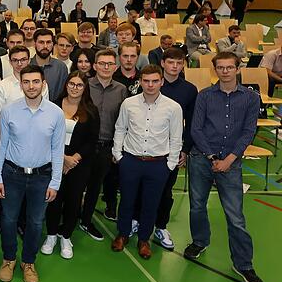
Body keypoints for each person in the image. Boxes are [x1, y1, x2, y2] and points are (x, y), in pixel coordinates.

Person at [186, 51, 264, 282]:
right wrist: (211, 156)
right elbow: (196, 129)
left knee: (235, 216)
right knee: (197, 205)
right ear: (215, 70)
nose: (225, 71)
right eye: (220, 67)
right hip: (202, 159)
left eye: (230, 67)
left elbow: (249, 132)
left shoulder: (251, 98)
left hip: (231, 162)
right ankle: (199, 241)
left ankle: (243, 264)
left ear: (238, 69)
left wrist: (229, 159)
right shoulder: (204, 96)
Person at [0, 65, 64, 282]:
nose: (31, 86)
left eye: (35, 81)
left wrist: (55, 182)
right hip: (12, 174)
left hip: (42, 177)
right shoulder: (8, 112)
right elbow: (1, 146)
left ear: (43, 84)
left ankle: (29, 262)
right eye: (26, 82)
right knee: (8, 219)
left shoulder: (56, 113)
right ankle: (9, 259)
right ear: (21, 84)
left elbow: (57, 149)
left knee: (35, 222)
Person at [111, 65, 183, 260]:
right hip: (131, 161)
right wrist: (118, 154)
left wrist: (170, 164)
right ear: (140, 82)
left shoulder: (173, 108)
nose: (150, 85)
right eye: (146, 81)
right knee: (126, 200)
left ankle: (144, 239)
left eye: (154, 81)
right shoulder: (128, 104)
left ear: (162, 82)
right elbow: (120, 128)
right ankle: (123, 234)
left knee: (151, 204)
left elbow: (176, 137)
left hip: (158, 164)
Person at [41, 72, 99, 259]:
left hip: (78, 164)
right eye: (71, 84)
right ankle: (51, 236)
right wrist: (63, 157)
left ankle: (66, 236)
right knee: (53, 200)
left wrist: (74, 158)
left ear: (85, 88)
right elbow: (45, 135)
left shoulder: (91, 110)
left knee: (74, 201)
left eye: (79, 85)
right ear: (66, 85)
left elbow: (92, 140)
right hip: (54, 161)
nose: (75, 88)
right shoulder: (53, 106)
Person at [146, 47, 197, 250]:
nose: (175, 66)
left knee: (166, 191)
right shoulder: (151, 84)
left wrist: (185, 149)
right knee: (143, 188)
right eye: (170, 62)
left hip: (172, 150)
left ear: (183, 64)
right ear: (163, 63)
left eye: (179, 63)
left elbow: (191, 123)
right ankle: (139, 221)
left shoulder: (189, 90)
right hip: (148, 147)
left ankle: (161, 226)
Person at [78, 49, 128, 240]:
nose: (106, 67)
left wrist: (118, 148)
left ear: (115, 67)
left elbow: (123, 121)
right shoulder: (84, 85)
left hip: (106, 147)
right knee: (76, 186)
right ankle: (70, 219)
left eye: (110, 64)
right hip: (83, 147)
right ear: (95, 66)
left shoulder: (121, 90)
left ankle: (86, 221)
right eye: (102, 63)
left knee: (94, 187)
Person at [30, 29, 68, 101]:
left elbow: (64, 95)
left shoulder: (61, 67)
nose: (45, 46)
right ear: (34, 44)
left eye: (48, 42)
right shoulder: (27, 65)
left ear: (52, 44)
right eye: (41, 42)